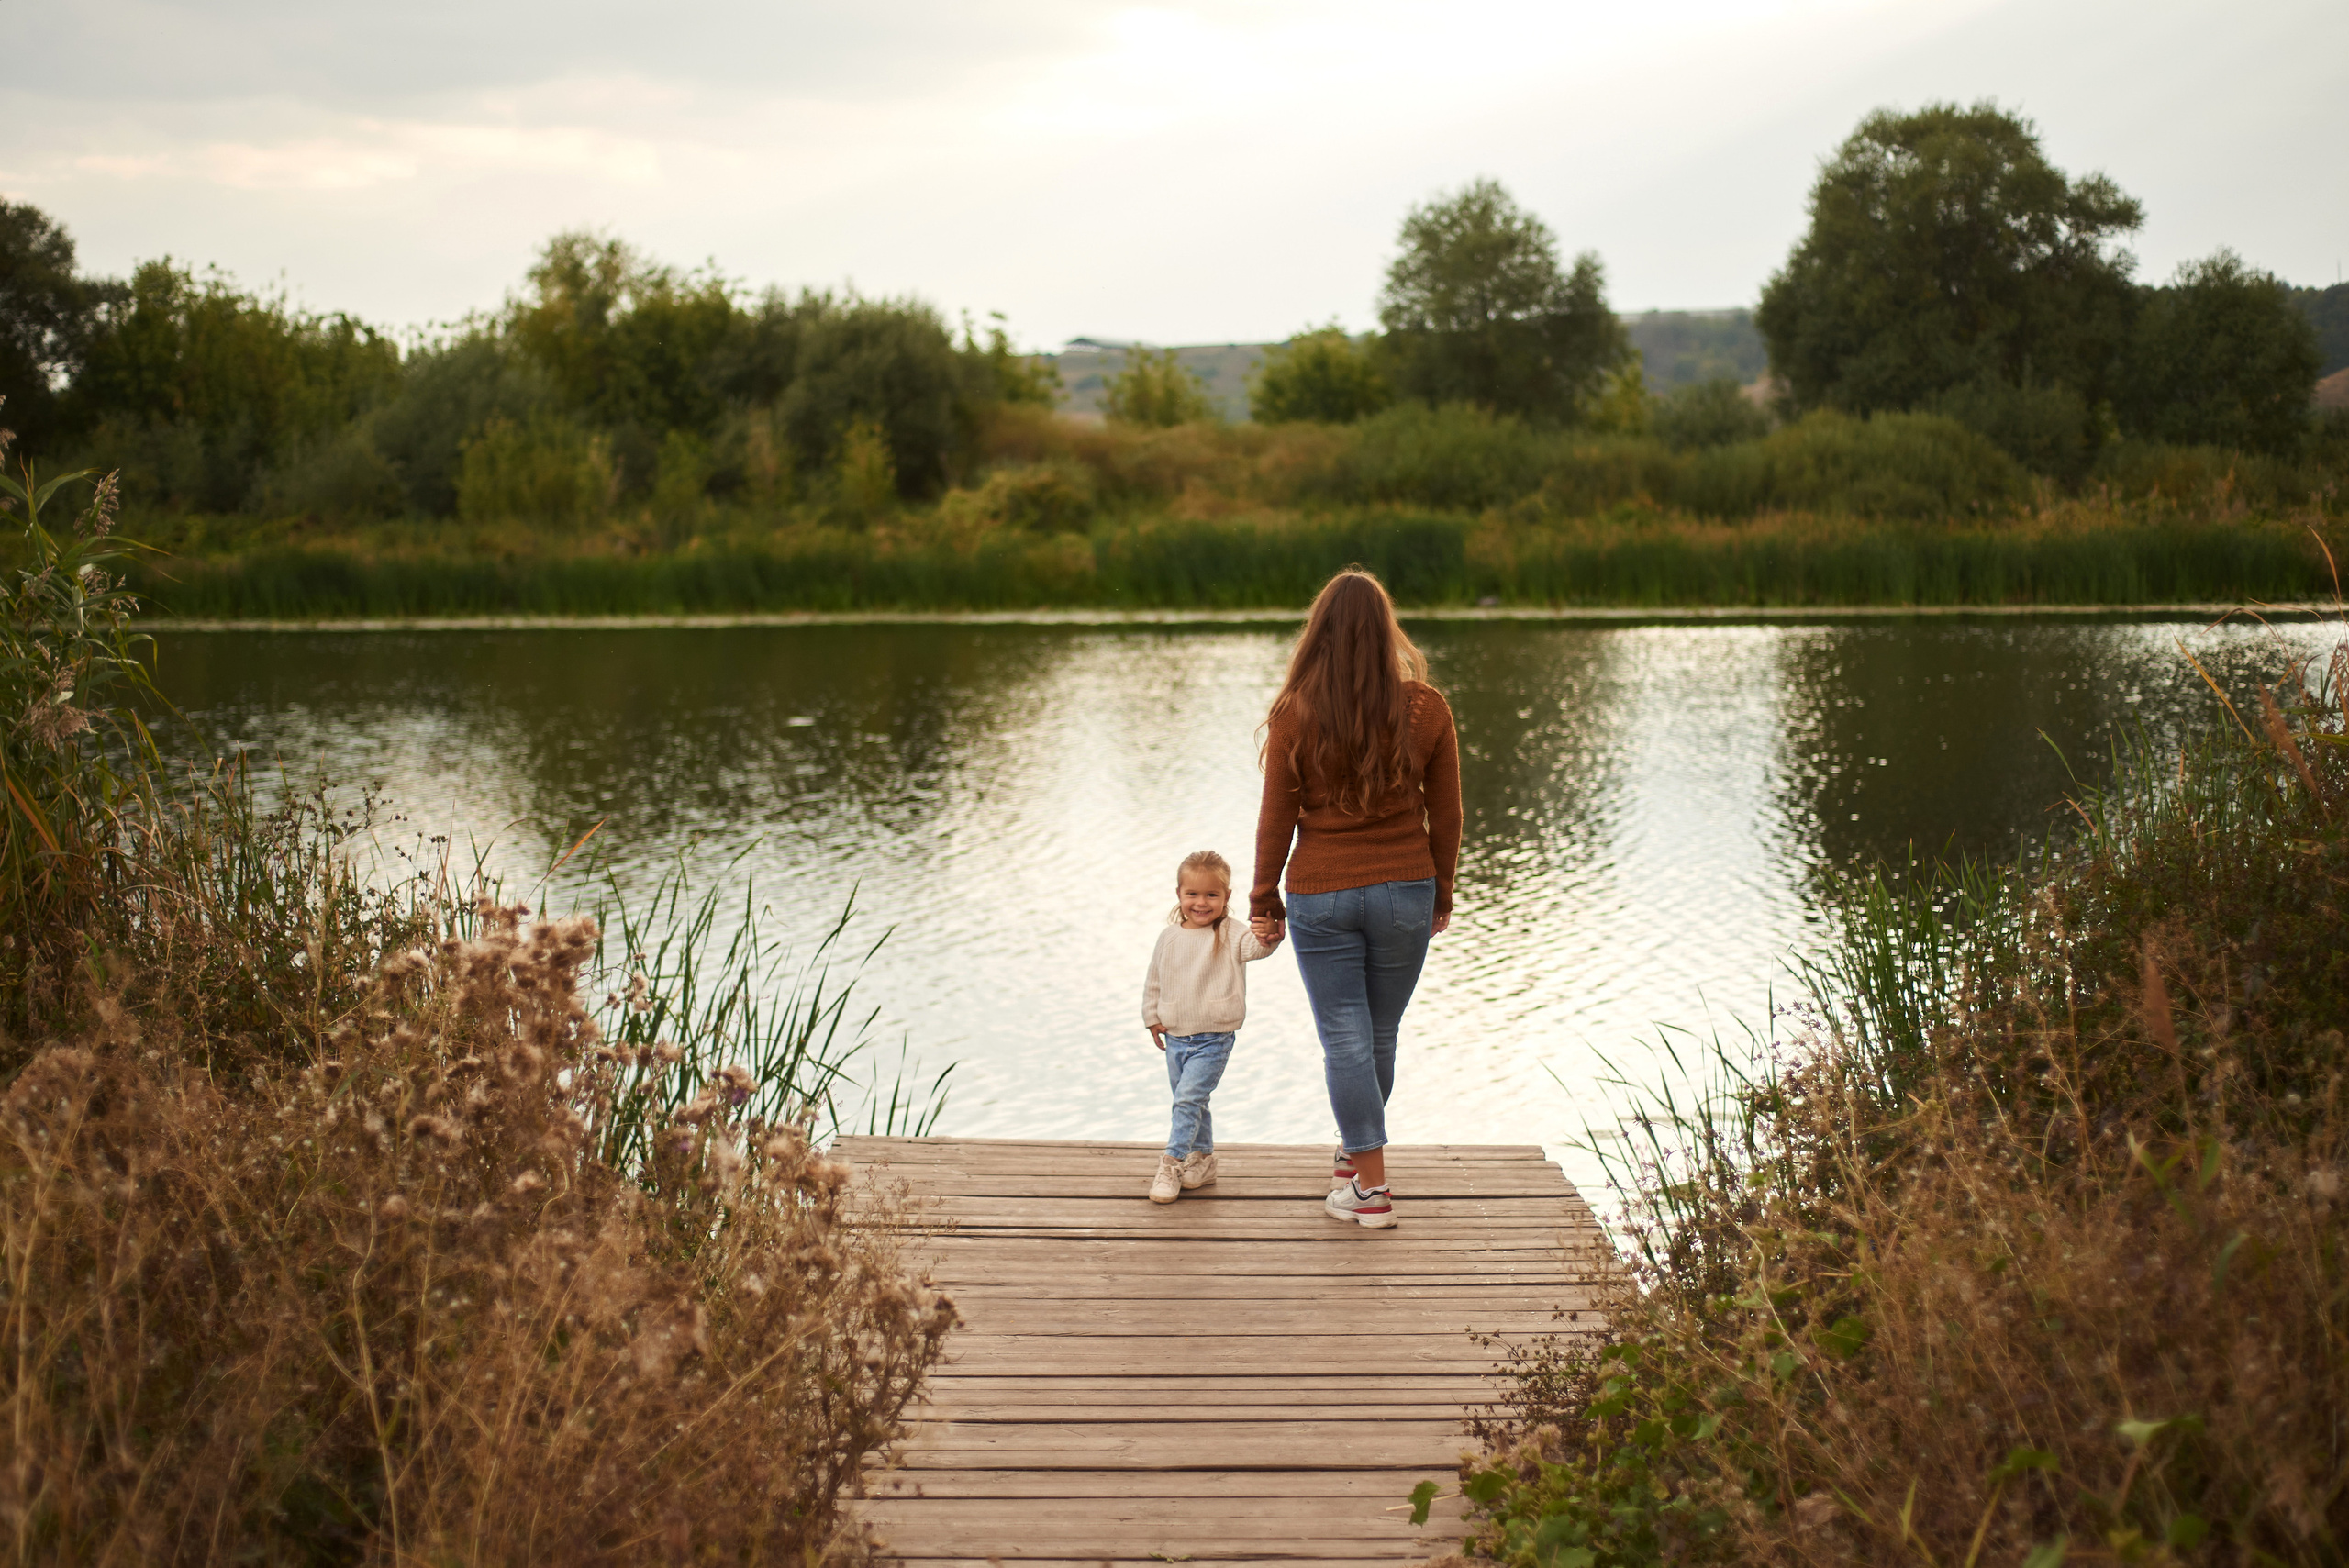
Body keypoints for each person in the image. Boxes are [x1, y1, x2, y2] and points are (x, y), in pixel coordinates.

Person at [1251, 568, 1460, 1229]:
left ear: (1320, 635)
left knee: (1346, 1036)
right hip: (1405, 886)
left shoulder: (1294, 713)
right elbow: (1447, 815)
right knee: (1376, 1032)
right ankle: (1355, 1165)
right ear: (1384, 633)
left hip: (1322, 892)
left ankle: (1370, 1188)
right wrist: (1442, 890)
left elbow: (1275, 818)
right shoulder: (1427, 707)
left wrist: (1263, 898)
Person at [1140, 850, 1280, 1204]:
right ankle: (1202, 1161)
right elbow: (1154, 979)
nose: (1201, 903)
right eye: (1193, 894)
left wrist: (1270, 934)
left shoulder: (1232, 932)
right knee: (1190, 1101)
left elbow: (1257, 949)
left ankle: (1171, 1163)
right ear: (1179, 895)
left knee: (1187, 1099)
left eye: (1211, 895)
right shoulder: (1169, 937)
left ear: (1226, 897)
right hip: (1175, 1034)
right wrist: (1152, 1016)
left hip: (1214, 1036)